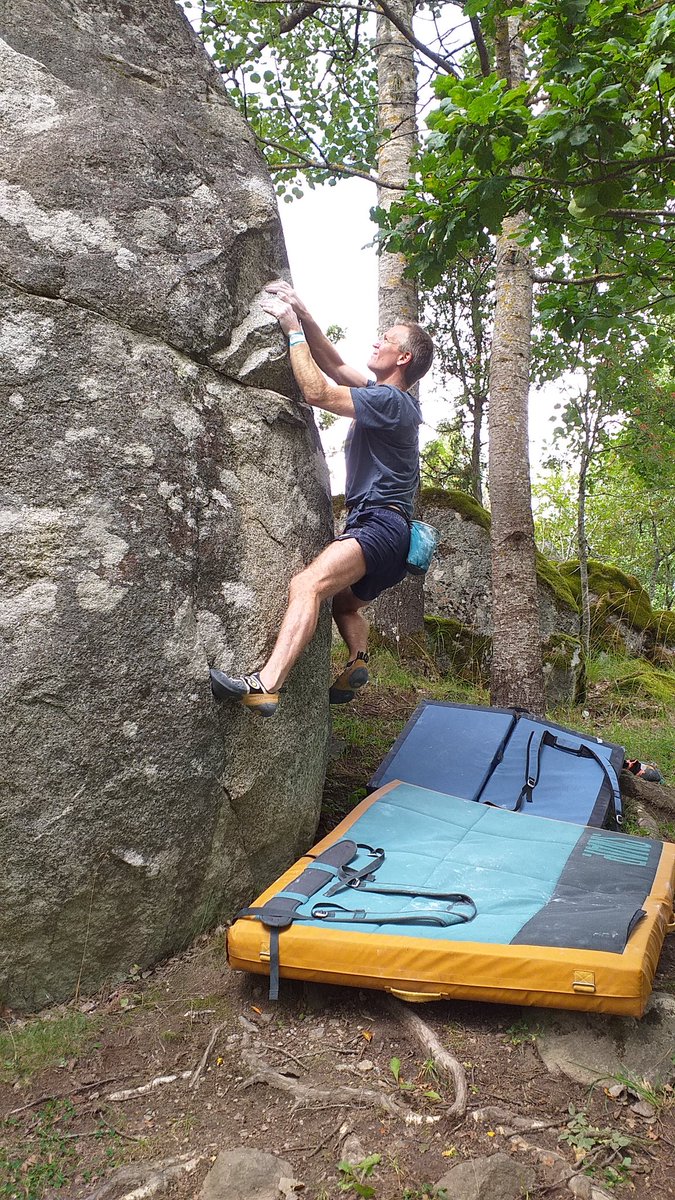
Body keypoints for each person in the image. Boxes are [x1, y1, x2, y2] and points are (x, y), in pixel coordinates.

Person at [210, 279, 434, 717]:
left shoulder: (391, 400)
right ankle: (357, 659)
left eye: (386, 339)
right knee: (344, 602)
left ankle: (266, 684)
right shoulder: (385, 397)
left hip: (379, 527)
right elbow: (333, 366)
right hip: (393, 538)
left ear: (403, 357)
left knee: (307, 585)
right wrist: (305, 313)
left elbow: (318, 391)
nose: (377, 341)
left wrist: (291, 329)